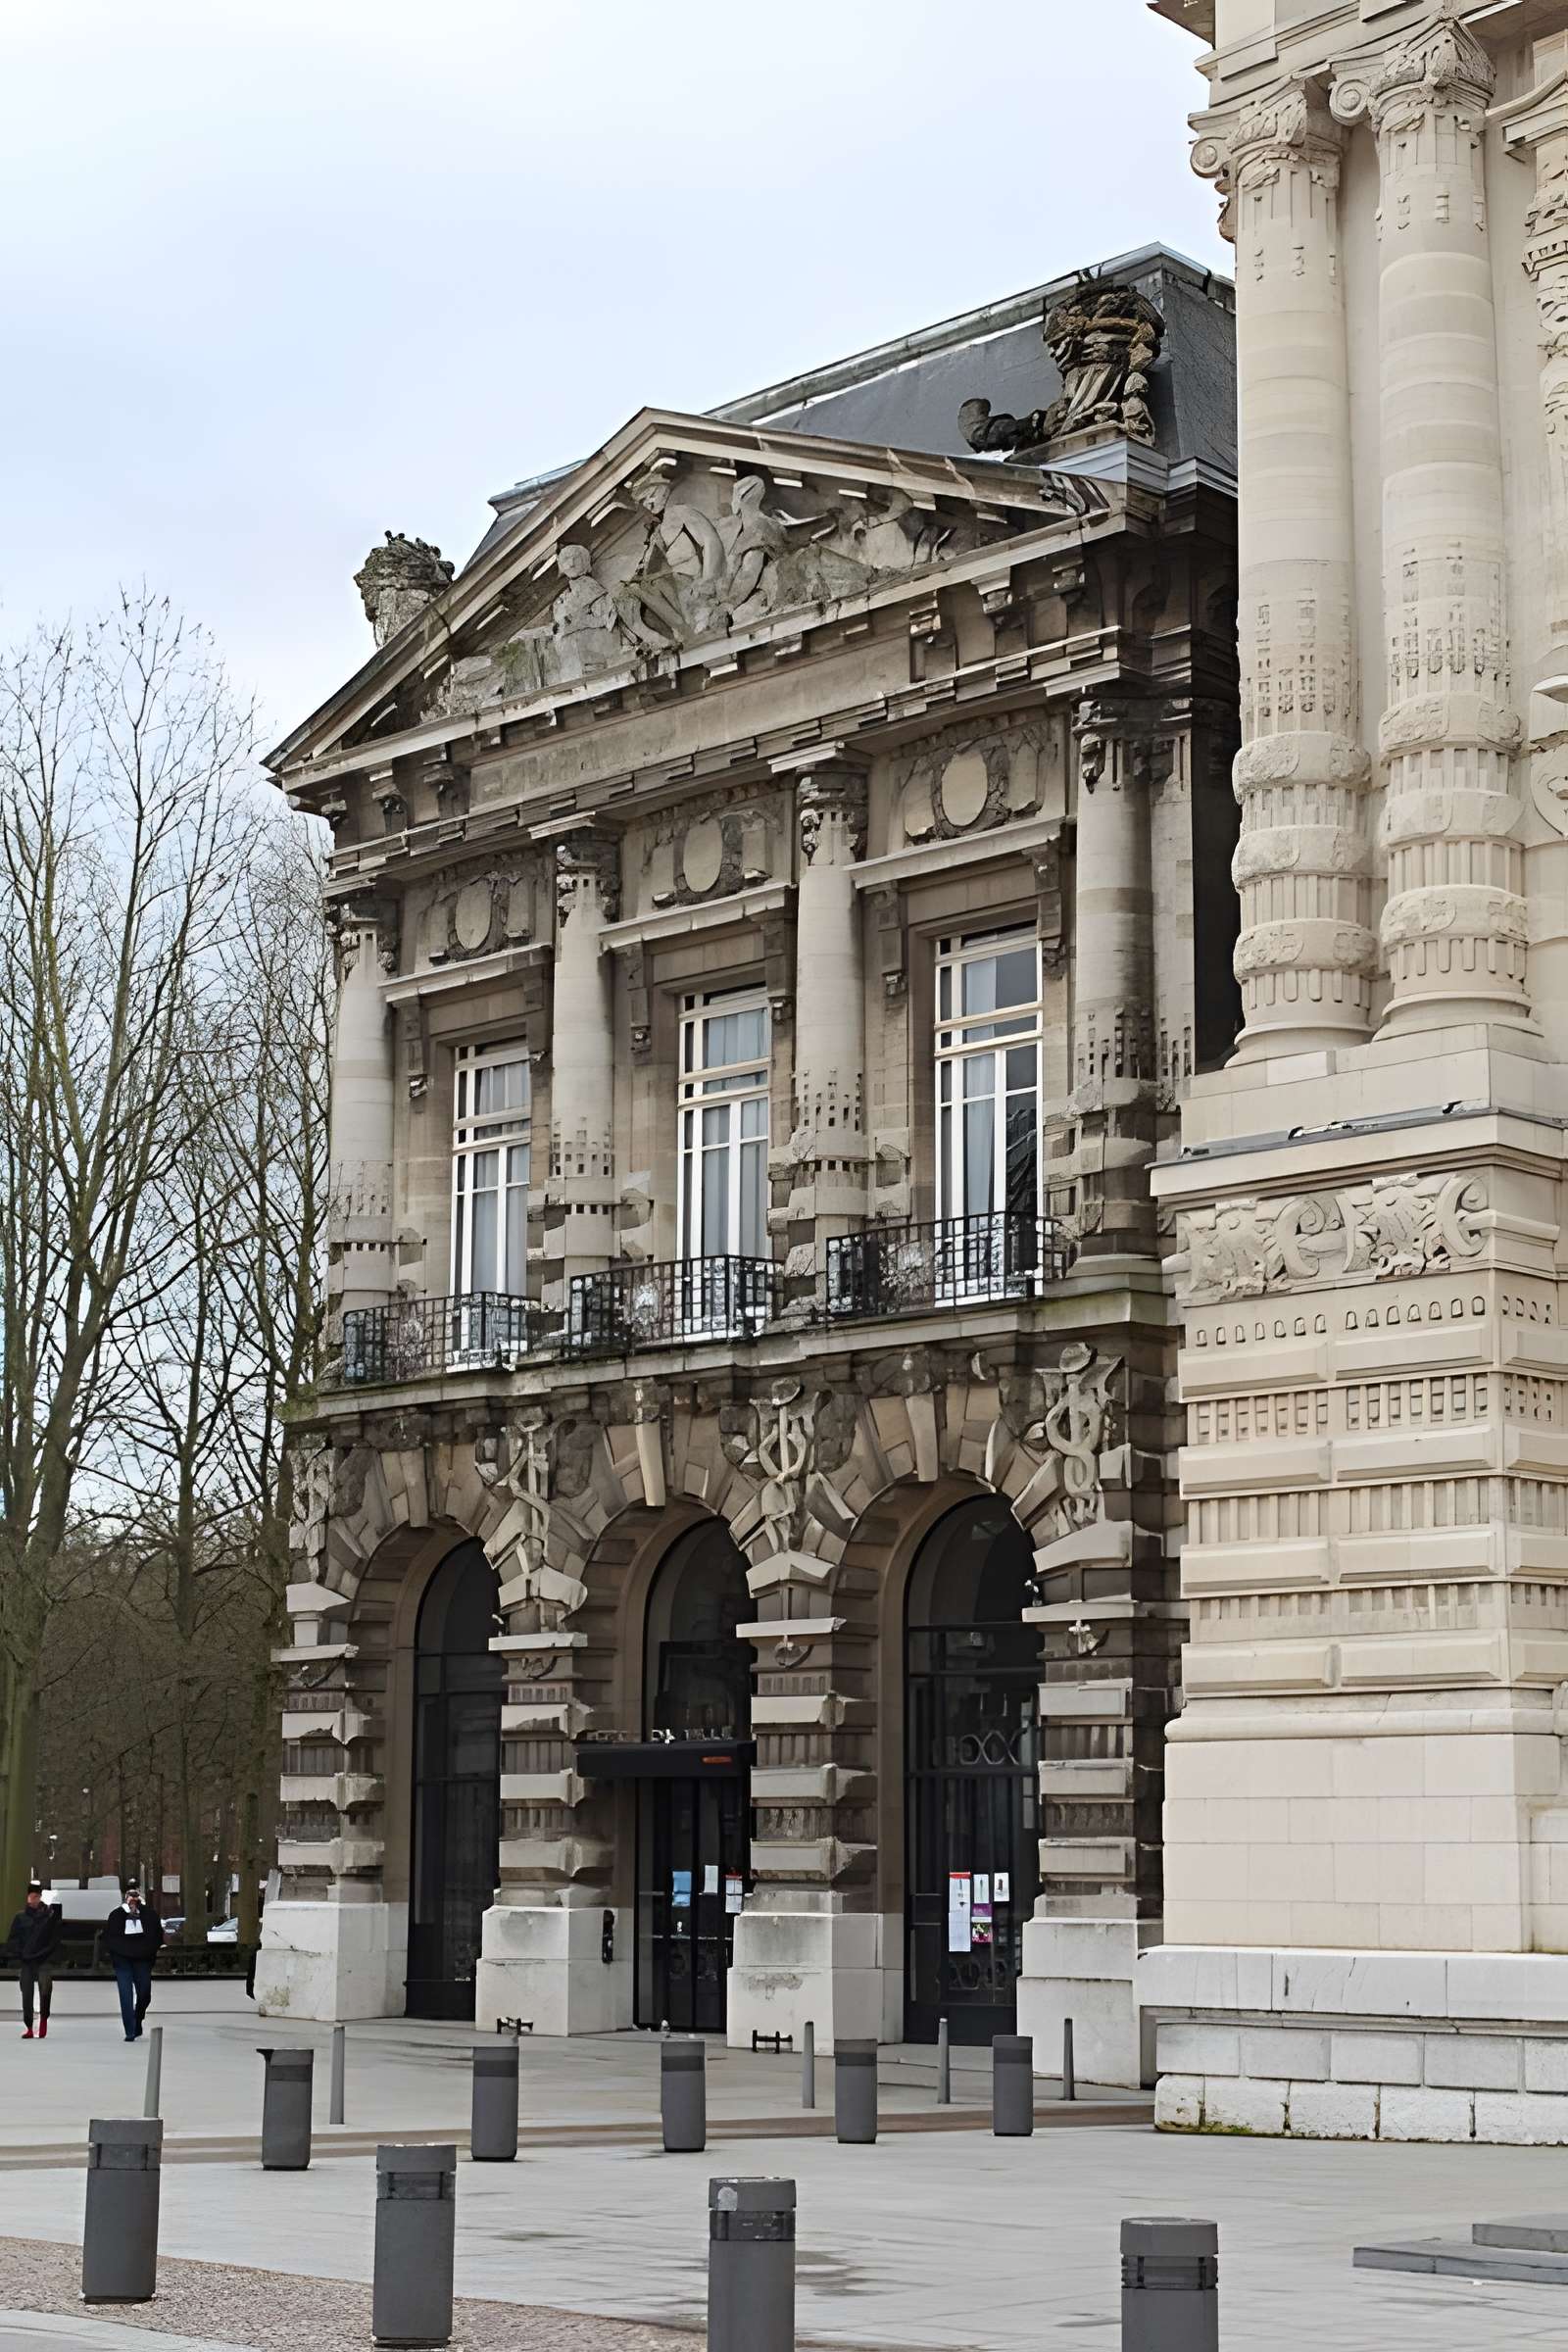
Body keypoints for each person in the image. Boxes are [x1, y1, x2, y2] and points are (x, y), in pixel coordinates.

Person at [103, 1882, 164, 2043]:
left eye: (135, 1896)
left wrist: (149, 1953)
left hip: (143, 1960)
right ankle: (130, 2030)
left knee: (145, 1994)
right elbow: (109, 1938)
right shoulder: (116, 1915)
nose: (133, 1900)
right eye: (130, 1897)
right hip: (123, 1962)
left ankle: (138, 2018)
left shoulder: (149, 1915)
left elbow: (157, 1936)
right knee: (125, 1995)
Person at [5, 1882, 63, 2040]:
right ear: (27, 1898)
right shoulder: (20, 1917)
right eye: (31, 1896)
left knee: (46, 1988)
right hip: (27, 1960)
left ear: (40, 1897)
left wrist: (46, 1953)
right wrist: (20, 1953)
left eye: (36, 1896)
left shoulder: (48, 1916)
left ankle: (43, 2018)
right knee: (26, 1993)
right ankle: (29, 2026)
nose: (34, 1899)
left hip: (43, 1959)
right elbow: (13, 1939)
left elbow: (54, 1938)